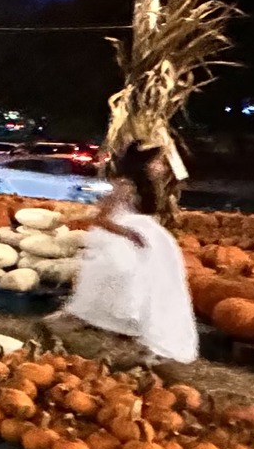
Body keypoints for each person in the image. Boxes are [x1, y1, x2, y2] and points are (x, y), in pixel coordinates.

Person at [37, 143, 197, 370]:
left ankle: (128, 348)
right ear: (143, 164)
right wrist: (129, 234)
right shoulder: (124, 185)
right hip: (121, 245)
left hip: (142, 241)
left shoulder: (145, 187)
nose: (161, 167)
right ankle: (59, 328)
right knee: (127, 295)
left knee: (147, 292)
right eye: (157, 161)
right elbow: (101, 218)